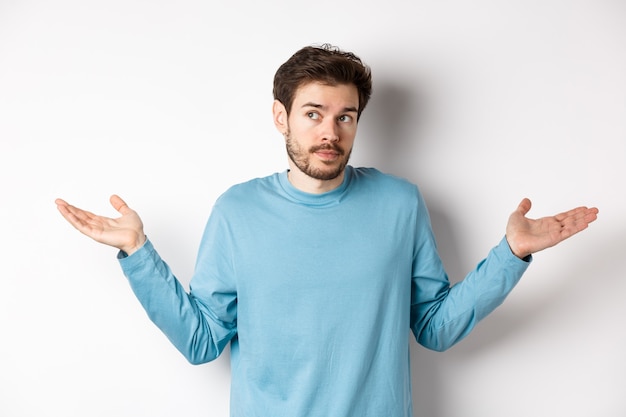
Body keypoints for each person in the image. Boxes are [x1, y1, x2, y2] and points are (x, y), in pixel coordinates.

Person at [55, 44, 599, 417]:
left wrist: (512, 255)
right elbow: (201, 342)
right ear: (280, 117)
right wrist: (135, 251)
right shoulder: (237, 212)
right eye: (313, 113)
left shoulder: (399, 203)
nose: (330, 133)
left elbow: (434, 327)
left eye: (346, 116)